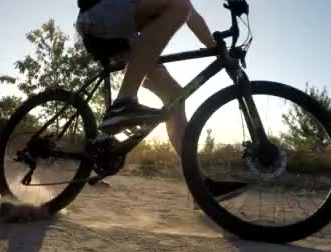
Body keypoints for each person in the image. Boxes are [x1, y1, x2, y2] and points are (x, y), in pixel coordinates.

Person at [76, 0, 250, 203]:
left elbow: (191, 16)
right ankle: (123, 102)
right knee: (178, 5)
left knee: (174, 96)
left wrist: (219, 51)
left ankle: (199, 185)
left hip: (124, 34)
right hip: (97, 16)